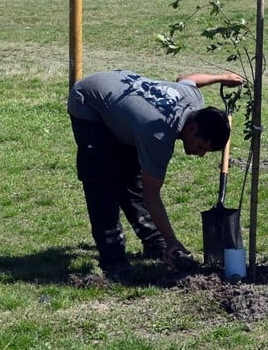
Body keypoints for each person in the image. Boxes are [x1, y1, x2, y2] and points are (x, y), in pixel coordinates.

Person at [68, 69, 244, 278]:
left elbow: (187, 79)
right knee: (101, 180)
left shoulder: (193, 100)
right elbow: (152, 197)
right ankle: (113, 258)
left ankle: (155, 243)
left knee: (129, 179)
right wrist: (173, 240)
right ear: (192, 128)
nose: (201, 154)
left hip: (118, 93)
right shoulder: (159, 136)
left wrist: (221, 78)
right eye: (201, 146)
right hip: (89, 100)